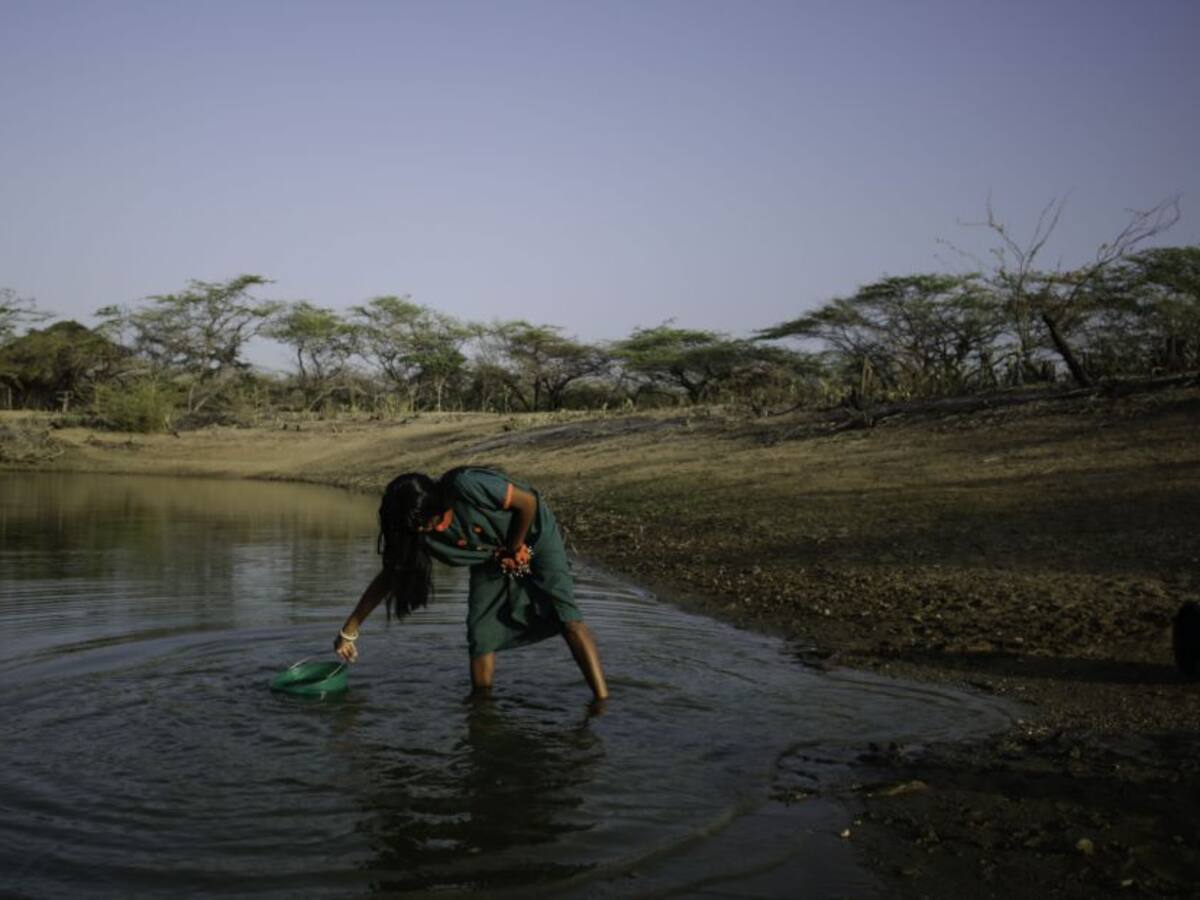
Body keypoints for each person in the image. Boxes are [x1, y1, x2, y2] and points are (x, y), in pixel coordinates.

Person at [334, 466, 609, 700]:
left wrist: (514, 549)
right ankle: (482, 710)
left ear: (433, 508)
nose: (418, 533)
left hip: (533, 533)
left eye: (421, 525)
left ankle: (601, 702)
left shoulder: (466, 485)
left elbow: (528, 503)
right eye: (411, 529)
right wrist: (350, 629)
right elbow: (388, 578)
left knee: (567, 616)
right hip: (490, 555)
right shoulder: (416, 533)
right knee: (480, 635)